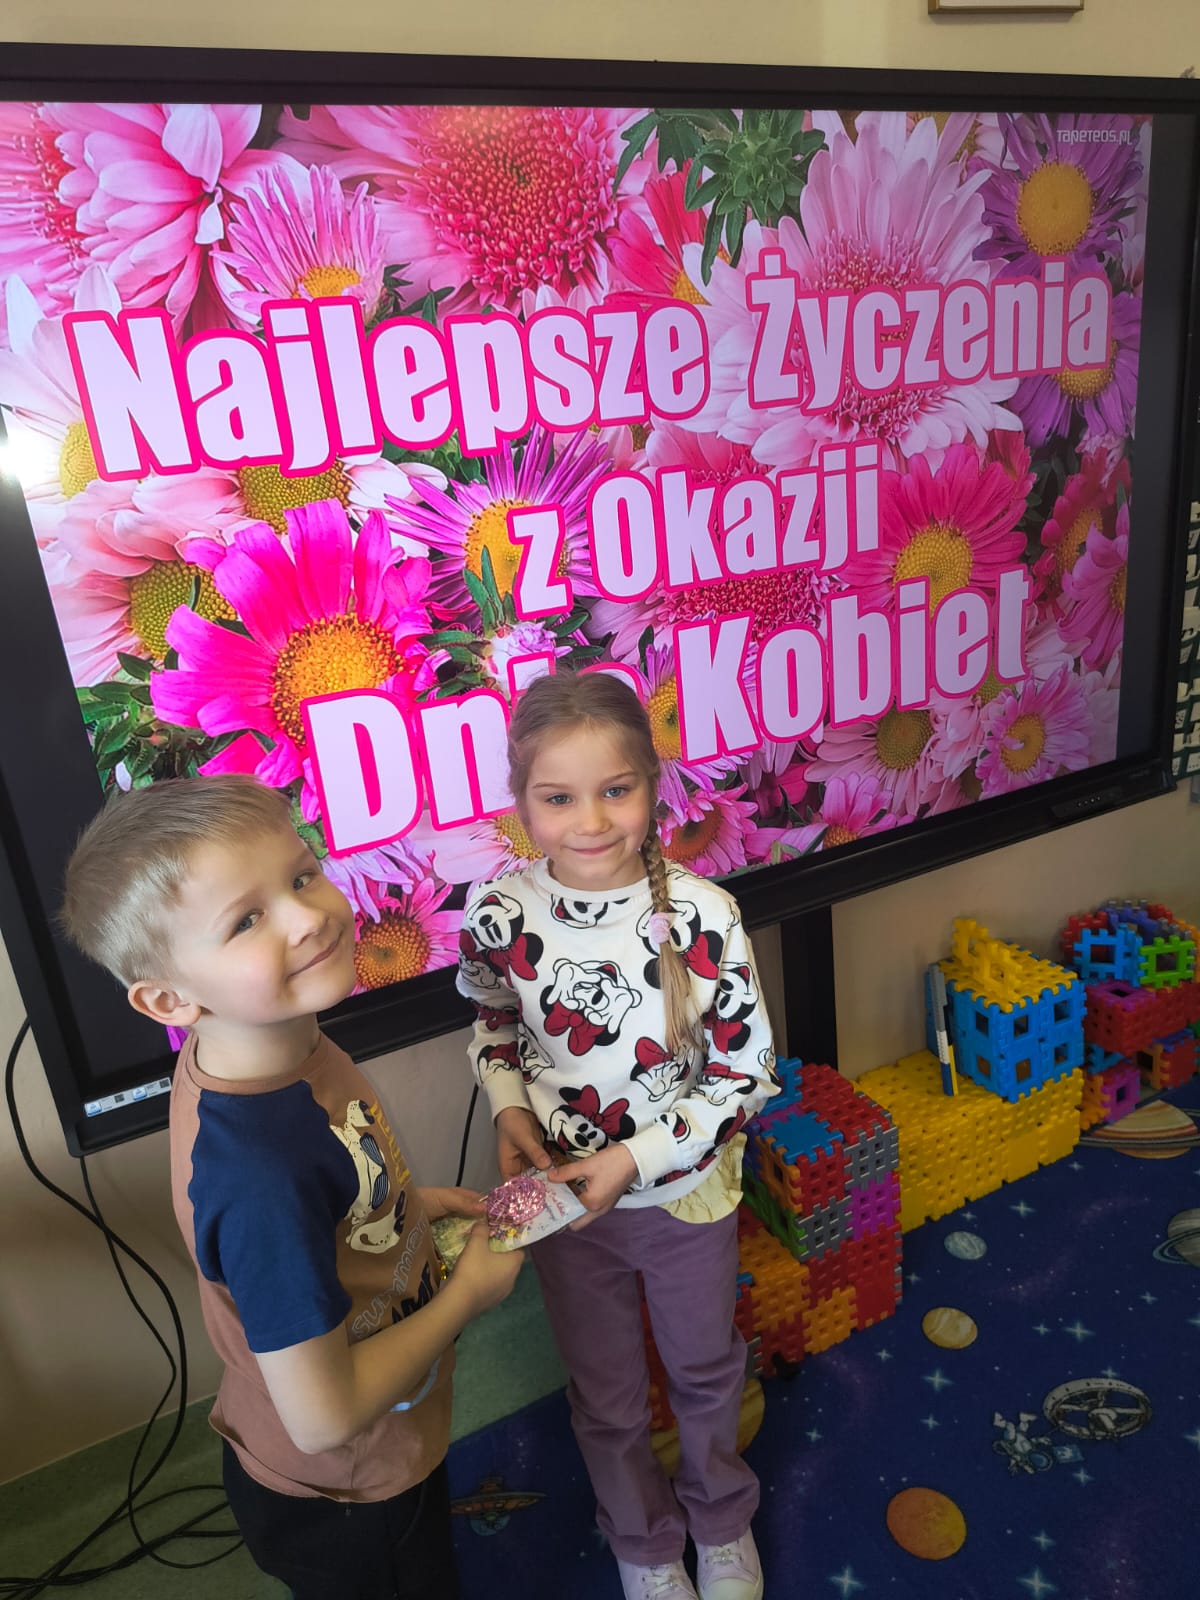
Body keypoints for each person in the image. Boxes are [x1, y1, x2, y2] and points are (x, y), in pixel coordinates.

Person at [60, 774, 524, 1600]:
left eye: (303, 875)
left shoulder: (269, 1045)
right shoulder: (259, 1176)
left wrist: (407, 1209)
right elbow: (323, 1417)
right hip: (351, 1492)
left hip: (382, 1441)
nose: (308, 916)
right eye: (246, 920)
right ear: (168, 999)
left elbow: (328, 1204)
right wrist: (468, 1296)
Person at [457, 670, 779, 1600]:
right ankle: (642, 1542)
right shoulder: (500, 914)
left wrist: (635, 1158)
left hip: (685, 1196)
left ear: (651, 783)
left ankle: (722, 1523)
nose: (591, 822)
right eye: (558, 798)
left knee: (705, 1371)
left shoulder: (705, 914)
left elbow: (746, 1072)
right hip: (569, 1206)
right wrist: (511, 1110)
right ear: (521, 802)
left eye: (616, 789)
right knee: (604, 1393)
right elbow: (493, 1024)